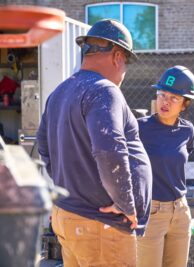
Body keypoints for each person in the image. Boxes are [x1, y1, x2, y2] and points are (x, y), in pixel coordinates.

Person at [36, 19, 152, 267]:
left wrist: (70, 190)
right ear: (117, 56)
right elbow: (109, 151)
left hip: (69, 218)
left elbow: (44, 150)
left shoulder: (60, 92)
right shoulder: (104, 90)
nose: (124, 71)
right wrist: (126, 204)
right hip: (100, 227)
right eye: (126, 63)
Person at [136, 65, 194, 267]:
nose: (166, 102)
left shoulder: (187, 130)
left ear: (184, 104)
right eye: (162, 95)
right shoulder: (139, 128)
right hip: (151, 211)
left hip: (180, 210)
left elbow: (182, 158)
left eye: (174, 98)